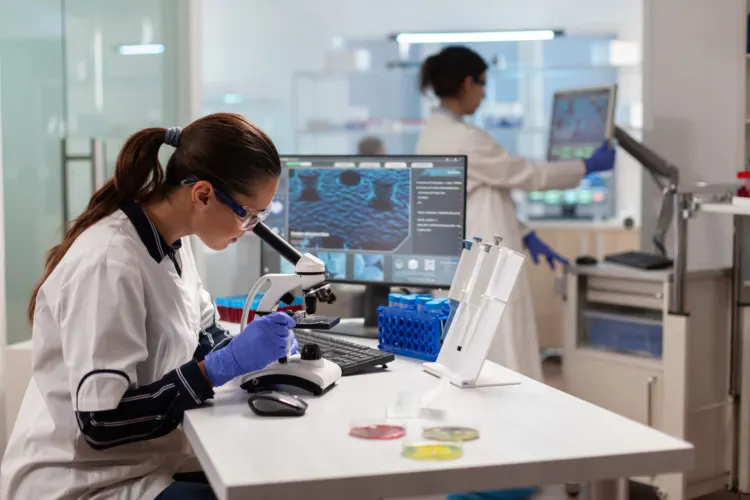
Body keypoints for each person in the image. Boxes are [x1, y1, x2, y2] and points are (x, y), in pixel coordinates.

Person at [0, 113, 300, 500]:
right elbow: (100, 421)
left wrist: (252, 355)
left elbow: (202, 333)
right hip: (81, 481)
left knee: (272, 479)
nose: (248, 230)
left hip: (145, 461)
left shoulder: (173, 242)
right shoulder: (110, 263)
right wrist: (218, 369)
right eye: (247, 214)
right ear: (203, 194)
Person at [416, 46, 616, 382]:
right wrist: (585, 166)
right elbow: (526, 174)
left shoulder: (434, 132)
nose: (484, 93)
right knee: (499, 353)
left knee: (482, 353)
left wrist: (525, 233)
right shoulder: (464, 139)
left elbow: (481, 195)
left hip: (467, 261)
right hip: (483, 269)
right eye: (482, 84)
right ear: (468, 83)